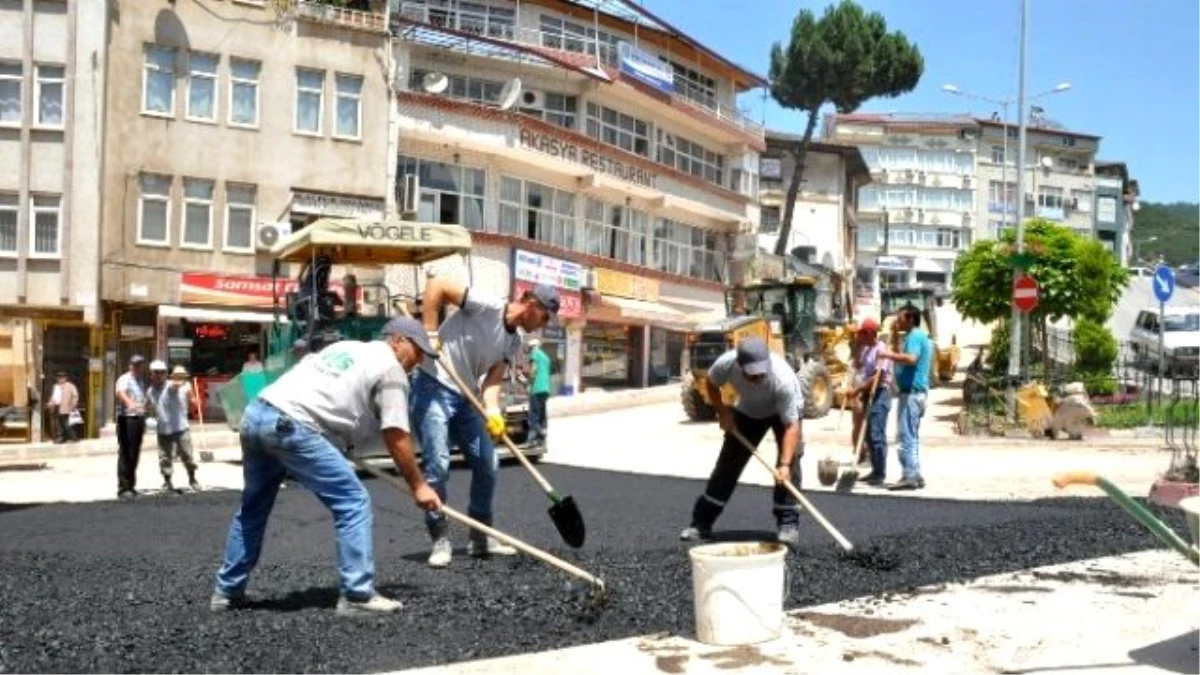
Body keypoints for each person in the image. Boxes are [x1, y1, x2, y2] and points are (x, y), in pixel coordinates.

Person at [211, 317, 442, 617]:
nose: (419, 361)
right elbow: (396, 434)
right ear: (397, 340)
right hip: (291, 425)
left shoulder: (346, 348)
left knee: (253, 507)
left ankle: (226, 592)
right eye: (418, 351)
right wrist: (419, 486)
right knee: (353, 502)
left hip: (257, 413)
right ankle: (357, 595)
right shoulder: (391, 369)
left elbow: (325, 393)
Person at [413, 279, 560, 568]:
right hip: (433, 384)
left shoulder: (513, 340)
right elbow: (437, 286)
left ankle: (480, 536)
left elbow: (493, 380)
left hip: (466, 396)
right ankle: (439, 536)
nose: (543, 325)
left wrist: (492, 410)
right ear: (532, 304)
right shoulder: (487, 305)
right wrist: (429, 332)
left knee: (488, 463)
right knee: (438, 464)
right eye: (544, 317)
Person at [680, 337, 805, 548]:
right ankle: (701, 524)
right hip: (749, 411)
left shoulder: (783, 380)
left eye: (761, 372)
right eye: (752, 373)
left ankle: (788, 524)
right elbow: (711, 383)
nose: (758, 376)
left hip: (783, 413)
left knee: (790, 463)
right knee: (728, 463)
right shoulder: (726, 363)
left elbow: (792, 427)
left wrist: (783, 464)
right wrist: (723, 413)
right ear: (740, 365)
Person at [880, 304, 932, 491]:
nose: (897, 320)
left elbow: (911, 359)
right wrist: (893, 338)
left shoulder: (916, 336)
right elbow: (902, 353)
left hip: (911, 394)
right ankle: (915, 473)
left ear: (910, 318)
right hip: (913, 393)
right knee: (911, 436)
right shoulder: (914, 336)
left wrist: (888, 355)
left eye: (900, 317)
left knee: (905, 436)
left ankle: (909, 475)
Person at [845, 318, 893, 487]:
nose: (860, 336)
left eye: (862, 334)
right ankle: (874, 470)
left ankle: (880, 473)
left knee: (877, 434)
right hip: (867, 394)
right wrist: (857, 346)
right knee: (867, 434)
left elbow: (877, 377)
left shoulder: (881, 350)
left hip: (880, 394)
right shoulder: (866, 349)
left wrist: (857, 391)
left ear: (871, 333)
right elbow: (858, 365)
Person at [149, 365, 201, 493]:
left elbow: (182, 391)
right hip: (163, 428)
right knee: (164, 457)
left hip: (181, 427)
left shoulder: (178, 386)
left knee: (187, 455)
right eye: (156, 373)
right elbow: (148, 405)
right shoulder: (151, 390)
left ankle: (192, 479)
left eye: (161, 373)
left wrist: (196, 402)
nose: (159, 375)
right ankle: (167, 481)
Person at [115, 355, 149, 500]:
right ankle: (123, 488)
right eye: (135, 365)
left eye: (140, 365)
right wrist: (129, 402)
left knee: (134, 453)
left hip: (138, 418)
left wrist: (146, 406)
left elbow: (143, 397)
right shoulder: (125, 379)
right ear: (130, 365)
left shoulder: (141, 380)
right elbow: (120, 392)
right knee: (126, 452)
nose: (137, 367)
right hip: (126, 419)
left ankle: (131, 486)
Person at [526, 338, 552, 446]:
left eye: (529, 348)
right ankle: (542, 437)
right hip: (546, 388)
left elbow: (533, 370)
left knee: (534, 414)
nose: (529, 350)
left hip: (536, 388)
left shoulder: (534, 354)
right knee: (542, 413)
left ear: (532, 347)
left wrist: (529, 383)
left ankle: (532, 439)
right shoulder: (546, 357)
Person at [47, 371, 79, 443]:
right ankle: (61, 438)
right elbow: (54, 397)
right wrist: (50, 403)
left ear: (65, 378)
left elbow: (75, 396)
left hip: (67, 407)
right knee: (59, 424)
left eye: (62, 378)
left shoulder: (70, 386)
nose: (60, 379)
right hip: (57, 407)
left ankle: (73, 438)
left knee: (67, 424)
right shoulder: (56, 386)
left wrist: (73, 405)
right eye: (59, 378)